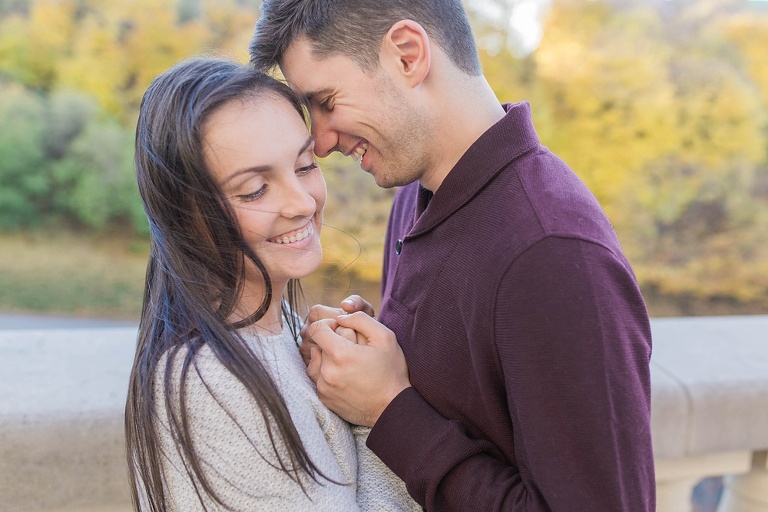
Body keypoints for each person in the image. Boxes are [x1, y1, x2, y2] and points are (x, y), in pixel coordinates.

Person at [249, 1, 656, 511]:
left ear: (407, 54)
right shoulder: (414, 201)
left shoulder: (552, 254)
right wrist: (379, 353)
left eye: (327, 100)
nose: (323, 141)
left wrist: (389, 408)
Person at [124, 56, 421, 512]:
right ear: (184, 214)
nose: (302, 203)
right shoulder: (214, 385)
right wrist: (381, 412)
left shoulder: (277, 329)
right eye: (255, 189)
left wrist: (355, 378)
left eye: (304, 165)